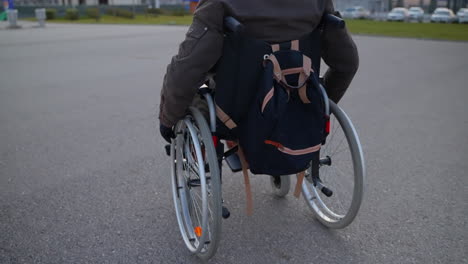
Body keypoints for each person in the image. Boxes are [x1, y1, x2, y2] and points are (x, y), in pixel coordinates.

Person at [159, 0, 359, 142]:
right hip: (298, 102)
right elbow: (347, 63)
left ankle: (202, 155)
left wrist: (168, 119)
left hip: (233, 117)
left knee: (192, 92)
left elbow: (188, 68)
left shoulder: (218, 4)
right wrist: (318, 105)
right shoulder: (317, 3)